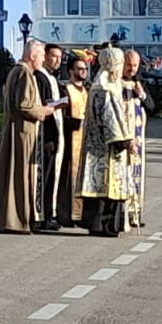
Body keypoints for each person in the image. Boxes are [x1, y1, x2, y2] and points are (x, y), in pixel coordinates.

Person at [0, 39, 56, 234]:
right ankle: (19, 220)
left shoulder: (15, 71)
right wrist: (44, 110)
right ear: (32, 55)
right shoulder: (25, 73)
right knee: (21, 175)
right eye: (42, 55)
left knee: (13, 174)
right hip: (23, 132)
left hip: (16, 129)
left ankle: (13, 218)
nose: (43, 59)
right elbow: (25, 105)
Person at [79, 46, 134, 238]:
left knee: (97, 187)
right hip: (107, 149)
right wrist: (125, 142)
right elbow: (112, 121)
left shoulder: (96, 88)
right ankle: (106, 225)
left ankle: (95, 224)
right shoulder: (107, 90)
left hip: (95, 146)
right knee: (107, 187)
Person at [33, 44, 66, 232]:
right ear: (45, 56)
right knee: (44, 176)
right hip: (45, 133)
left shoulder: (53, 78)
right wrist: (56, 104)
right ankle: (41, 216)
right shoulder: (39, 77)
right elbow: (41, 102)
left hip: (56, 132)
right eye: (54, 56)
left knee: (52, 175)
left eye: (60, 57)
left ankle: (49, 213)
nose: (57, 60)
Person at [58, 54, 91, 226]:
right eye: (80, 69)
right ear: (71, 71)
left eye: (85, 69)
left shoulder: (87, 90)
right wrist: (78, 123)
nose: (83, 71)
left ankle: (83, 215)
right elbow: (61, 116)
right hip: (70, 141)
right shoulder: (65, 90)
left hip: (85, 142)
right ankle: (66, 215)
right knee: (68, 179)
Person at [121, 48, 148, 229]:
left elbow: (151, 106)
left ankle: (135, 212)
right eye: (129, 65)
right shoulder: (116, 83)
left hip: (138, 140)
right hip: (123, 139)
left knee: (137, 176)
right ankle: (123, 213)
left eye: (135, 65)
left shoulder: (139, 83)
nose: (132, 69)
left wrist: (142, 94)